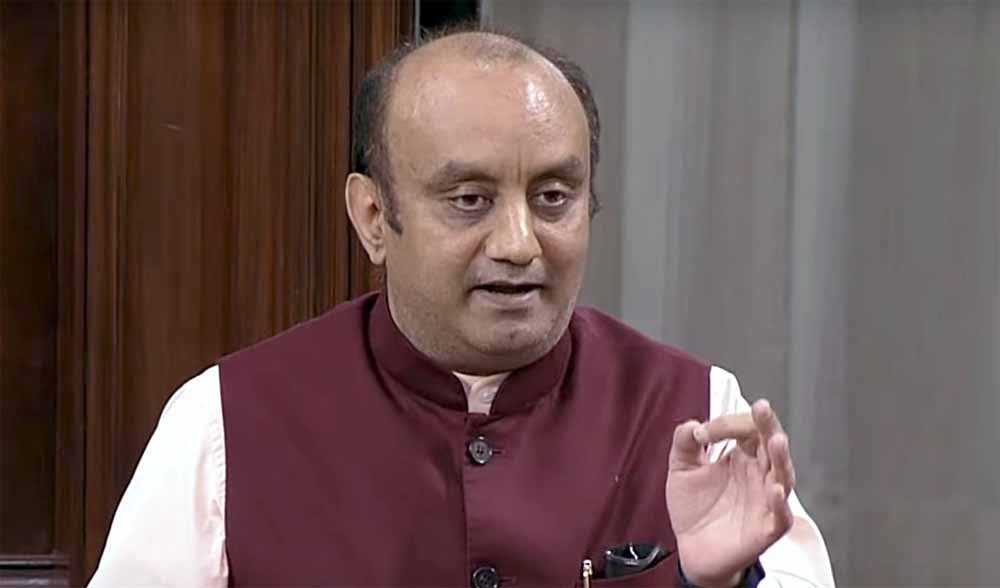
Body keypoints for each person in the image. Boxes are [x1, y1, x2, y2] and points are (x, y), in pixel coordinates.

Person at [89, 24, 834, 588]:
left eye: (553, 197)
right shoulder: (223, 424)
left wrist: (717, 586)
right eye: (469, 200)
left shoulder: (700, 416)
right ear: (373, 218)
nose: (518, 243)